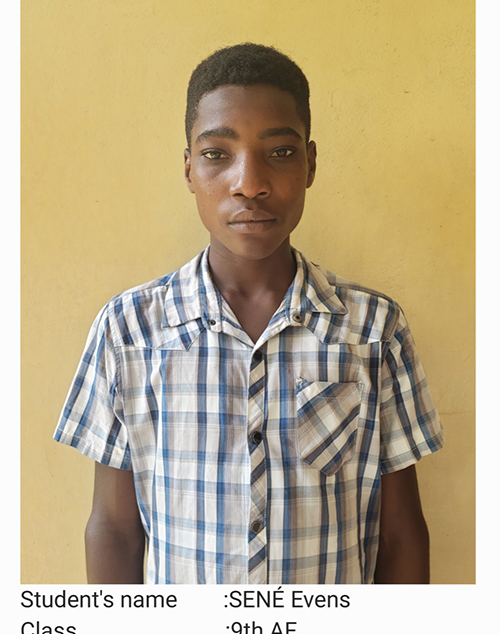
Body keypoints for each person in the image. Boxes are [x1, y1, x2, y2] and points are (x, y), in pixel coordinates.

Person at [54, 43, 444, 584]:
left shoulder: (374, 330)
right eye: (217, 154)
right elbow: (116, 529)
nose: (249, 183)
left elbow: (401, 533)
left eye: (279, 152)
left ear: (310, 163)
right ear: (188, 169)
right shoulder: (129, 331)